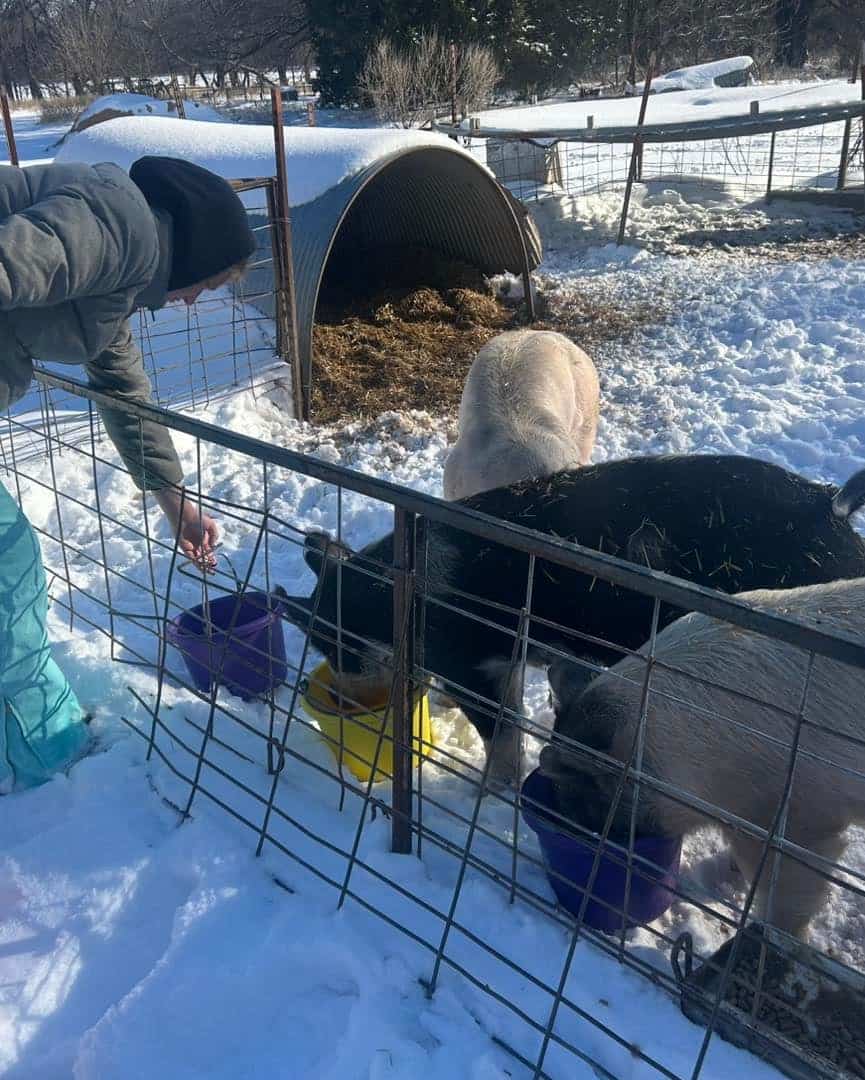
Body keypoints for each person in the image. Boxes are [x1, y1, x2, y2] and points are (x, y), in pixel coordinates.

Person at [0, 154, 256, 791]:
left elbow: (124, 394)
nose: (193, 302)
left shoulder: (116, 282)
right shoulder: (123, 225)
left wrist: (176, 503)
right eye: (208, 285)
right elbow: (12, 259)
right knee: (8, 571)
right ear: (195, 251)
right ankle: (43, 756)